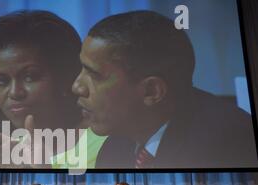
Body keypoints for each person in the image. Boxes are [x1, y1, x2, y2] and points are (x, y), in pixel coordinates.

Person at [72, 10, 257, 169]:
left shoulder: (228, 144)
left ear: (151, 91)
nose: (77, 87)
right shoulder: (114, 147)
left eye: (94, 75)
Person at [0, 10, 104, 168]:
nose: (14, 92)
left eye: (30, 77)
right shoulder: (6, 152)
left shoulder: (110, 143)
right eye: (1, 81)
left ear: (66, 77)